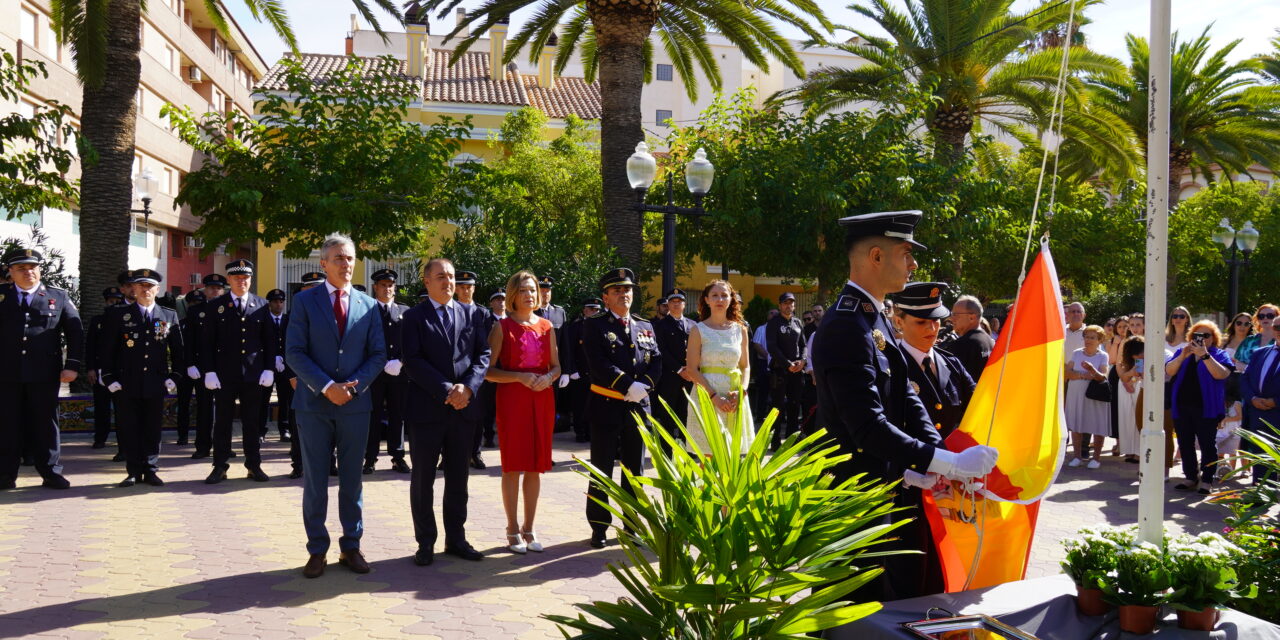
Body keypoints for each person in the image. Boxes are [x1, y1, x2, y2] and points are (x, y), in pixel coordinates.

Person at [812, 211, 997, 602]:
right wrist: (948, 463)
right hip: (853, 497)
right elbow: (867, 426)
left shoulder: (872, 315)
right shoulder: (847, 324)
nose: (913, 264)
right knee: (850, 609)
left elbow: (906, 395)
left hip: (881, 488)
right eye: (906, 253)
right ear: (876, 256)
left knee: (884, 599)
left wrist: (941, 458)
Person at [285, 235, 387, 578]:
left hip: (355, 407)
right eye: (339, 258)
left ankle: (351, 546)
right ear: (323, 264)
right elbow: (294, 351)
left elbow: (377, 355)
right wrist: (327, 387)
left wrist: (351, 390)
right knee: (315, 480)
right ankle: (317, 550)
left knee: (352, 480)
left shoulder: (368, 305)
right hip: (314, 405)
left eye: (350, 258)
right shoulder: (304, 302)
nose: (346, 264)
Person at [402, 258, 491, 566]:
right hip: (427, 410)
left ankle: (456, 539)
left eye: (451, 276)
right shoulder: (414, 316)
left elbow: (483, 356)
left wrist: (467, 389)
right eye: (441, 277)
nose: (448, 282)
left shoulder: (473, 314)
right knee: (423, 478)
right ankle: (425, 541)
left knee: (459, 477)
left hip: (464, 409)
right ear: (427, 282)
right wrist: (446, 390)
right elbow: (412, 360)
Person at [581, 267, 662, 549]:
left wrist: (645, 386)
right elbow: (598, 363)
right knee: (602, 471)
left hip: (639, 408)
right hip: (606, 405)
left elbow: (657, 361)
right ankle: (599, 527)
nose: (624, 294)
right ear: (606, 297)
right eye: (617, 290)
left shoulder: (645, 326)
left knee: (635, 472)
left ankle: (631, 526)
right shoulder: (595, 325)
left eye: (627, 290)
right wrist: (628, 384)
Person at [485, 271, 560, 554]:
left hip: (542, 399)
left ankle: (530, 527)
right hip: (513, 400)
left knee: (535, 465)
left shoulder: (546, 326)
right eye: (523, 290)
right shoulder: (502, 327)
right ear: (513, 295)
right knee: (513, 465)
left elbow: (557, 366)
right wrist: (518, 377)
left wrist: (548, 378)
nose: (529, 295)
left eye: (533, 290)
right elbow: (488, 372)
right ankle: (512, 528)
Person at [0, 248, 82, 490]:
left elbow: (75, 332)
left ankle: (51, 473)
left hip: (44, 373)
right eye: (21, 268)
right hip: (6, 373)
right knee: (7, 424)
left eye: (33, 267)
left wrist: (73, 366)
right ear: (11, 272)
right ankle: (5, 476)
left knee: (46, 423)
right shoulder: (2, 296)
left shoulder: (58, 296)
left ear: (40, 269)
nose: (28, 272)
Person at [100, 269, 184, 487]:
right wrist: (108, 378)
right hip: (126, 382)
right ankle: (133, 470)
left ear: (157, 289)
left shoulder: (168, 315)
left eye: (150, 286)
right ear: (133, 289)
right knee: (129, 427)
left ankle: (151, 469)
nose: (146, 290)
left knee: (153, 428)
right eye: (141, 286)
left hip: (155, 382)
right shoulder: (118, 315)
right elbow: (107, 350)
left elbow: (178, 351)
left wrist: (174, 376)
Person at [201, 259, 276, 484]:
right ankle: (220, 466)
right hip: (224, 375)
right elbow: (206, 343)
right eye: (236, 278)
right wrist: (209, 371)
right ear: (229, 280)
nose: (241, 281)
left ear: (250, 280)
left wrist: (269, 368)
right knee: (222, 422)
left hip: (253, 375)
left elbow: (270, 341)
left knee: (252, 423)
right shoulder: (216, 306)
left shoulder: (262, 305)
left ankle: (254, 465)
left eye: (245, 278)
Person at [891, 282, 976, 440]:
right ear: (899, 322)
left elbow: (980, 405)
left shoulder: (952, 363)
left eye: (936, 320)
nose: (932, 328)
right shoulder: (890, 366)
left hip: (954, 459)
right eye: (921, 322)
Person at [683, 280, 753, 453]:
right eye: (715, 295)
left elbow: (745, 366)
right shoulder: (698, 330)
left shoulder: (740, 329)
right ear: (707, 300)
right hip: (706, 396)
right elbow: (691, 369)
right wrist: (713, 397)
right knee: (708, 454)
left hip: (734, 397)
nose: (720, 299)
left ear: (731, 299)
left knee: (731, 454)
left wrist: (742, 391)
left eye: (724, 295)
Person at [1165, 320, 1232, 494]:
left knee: (1207, 444)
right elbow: (1170, 371)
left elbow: (1222, 374)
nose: (1201, 338)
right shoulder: (1182, 351)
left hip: (1206, 408)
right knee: (1185, 443)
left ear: (1213, 338)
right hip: (1182, 406)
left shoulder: (1219, 354)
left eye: (1206, 335)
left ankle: (1207, 479)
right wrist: (1182, 356)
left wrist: (1205, 355)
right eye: (1197, 335)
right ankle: (1190, 477)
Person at [358, 269, 410, 475]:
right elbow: (361, 343)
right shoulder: (366, 311)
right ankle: (370, 458)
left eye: (390, 285)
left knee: (398, 415)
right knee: (373, 415)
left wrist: (402, 361)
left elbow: (413, 341)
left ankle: (398, 457)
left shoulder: (405, 311)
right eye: (383, 285)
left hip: (399, 373)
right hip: (374, 374)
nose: (387, 289)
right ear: (375, 287)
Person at [286, 271, 329, 480]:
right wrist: (291, 375)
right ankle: (298, 464)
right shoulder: (293, 314)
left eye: (317, 287)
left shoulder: (332, 315)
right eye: (308, 288)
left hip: (327, 379)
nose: (313, 291)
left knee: (330, 422)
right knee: (299, 425)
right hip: (299, 378)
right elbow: (285, 348)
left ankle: (330, 463)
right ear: (302, 291)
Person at [185, 274, 226, 459]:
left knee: (225, 410)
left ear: (223, 290)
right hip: (203, 367)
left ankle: (224, 446)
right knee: (204, 409)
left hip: (226, 368)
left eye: (218, 288)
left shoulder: (230, 308)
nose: (214, 291)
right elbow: (189, 342)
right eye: (211, 288)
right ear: (205, 290)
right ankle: (202, 446)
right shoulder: (196, 312)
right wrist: (190, 364)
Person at [455, 270, 491, 467]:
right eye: (461, 287)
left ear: (474, 289)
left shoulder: (482, 313)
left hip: (477, 372)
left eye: (468, 287)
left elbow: (487, 345)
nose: (465, 290)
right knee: (452, 414)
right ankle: (448, 455)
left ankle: (475, 453)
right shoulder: (449, 310)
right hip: (455, 371)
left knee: (477, 415)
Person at [86, 287, 126, 452]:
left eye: (117, 301)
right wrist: (90, 368)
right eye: (111, 301)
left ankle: (122, 442)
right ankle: (100, 438)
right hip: (101, 371)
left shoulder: (126, 320)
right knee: (101, 407)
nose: (114, 304)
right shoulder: (97, 321)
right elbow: (90, 346)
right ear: (105, 302)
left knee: (122, 409)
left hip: (120, 372)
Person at [1065, 325, 1110, 469]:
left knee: (1097, 424)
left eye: (1092, 337)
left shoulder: (1103, 356)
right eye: (1086, 337)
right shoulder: (1076, 353)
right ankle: (1077, 457)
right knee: (1076, 424)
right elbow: (1067, 373)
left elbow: (1103, 376)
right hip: (1076, 393)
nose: (1088, 340)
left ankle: (1096, 458)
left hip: (1094, 394)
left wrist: (1091, 369)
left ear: (1099, 340)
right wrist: (1082, 375)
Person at [654, 288, 694, 451]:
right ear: (668, 304)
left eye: (679, 301)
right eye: (673, 301)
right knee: (668, 415)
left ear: (684, 304)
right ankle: (667, 451)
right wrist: (679, 369)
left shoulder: (693, 325)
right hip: (670, 377)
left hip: (690, 377)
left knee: (688, 415)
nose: (676, 304)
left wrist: (691, 369)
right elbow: (661, 350)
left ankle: (688, 451)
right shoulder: (660, 325)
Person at [766, 292, 805, 449]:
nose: (789, 306)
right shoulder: (774, 323)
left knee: (795, 406)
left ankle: (791, 440)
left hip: (797, 371)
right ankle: (774, 441)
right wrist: (787, 363)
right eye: (785, 303)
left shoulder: (798, 322)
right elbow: (772, 347)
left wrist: (803, 361)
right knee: (777, 406)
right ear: (780, 305)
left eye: (791, 303)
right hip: (780, 370)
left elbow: (804, 345)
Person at [1240, 331, 1280, 485]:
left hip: (1277, 412)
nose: (1279, 330)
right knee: (1260, 458)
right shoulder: (1260, 353)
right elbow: (1245, 378)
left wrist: (1276, 401)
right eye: (1277, 326)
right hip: (1258, 414)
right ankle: (1261, 496)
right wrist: (1252, 398)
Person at [534, 276, 570, 434]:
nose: (545, 294)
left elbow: (565, 344)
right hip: (533, 368)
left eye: (548, 290)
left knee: (550, 408)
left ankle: (546, 446)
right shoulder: (529, 312)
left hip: (553, 370)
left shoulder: (559, 312)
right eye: (542, 291)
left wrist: (566, 370)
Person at [563, 298, 600, 443]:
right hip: (580, 372)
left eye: (597, 310)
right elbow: (569, 350)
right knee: (580, 405)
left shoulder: (600, 326)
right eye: (592, 309)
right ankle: (580, 432)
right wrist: (572, 370)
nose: (595, 312)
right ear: (585, 310)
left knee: (595, 404)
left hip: (596, 373)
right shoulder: (576, 327)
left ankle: (592, 432)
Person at [261, 289, 292, 443]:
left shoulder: (288, 320)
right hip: (266, 365)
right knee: (263, 398)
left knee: (284, 399)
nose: (278, 304)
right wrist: (272, 358)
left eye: (281, 301)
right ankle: (261, 430)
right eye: (275, 301)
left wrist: (283, 359)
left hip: (285, 366)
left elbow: (292, 343)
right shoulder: (263, 319)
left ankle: (284, 430)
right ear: (269, 303)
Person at [174, 290, 205, 446]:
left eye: (199, 304)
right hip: (185, 369)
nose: (195, 307)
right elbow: (179, 349)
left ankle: (202, 436)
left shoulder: (206, 324)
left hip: (202, 369)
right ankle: (183, 435)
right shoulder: (180, 324)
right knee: (183, 403)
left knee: (203, 405)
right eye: (193, 303)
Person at [945, 295, 995, 383]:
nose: (951, 319)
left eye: (955, 315)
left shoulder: (962, 345)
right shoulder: (989, 341)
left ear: (971, 317)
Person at [1116, 336, 1144, 464]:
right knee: (1127, 418)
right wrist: (1129, 377)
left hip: (1138, 387)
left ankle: (1139, 452)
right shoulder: (1125, 361)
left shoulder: (1144, 360)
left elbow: (1138, 376)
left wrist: (1131, 381)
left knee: (1138, 419)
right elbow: (1123, 376)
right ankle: (1130, 450)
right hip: (1125, 388)